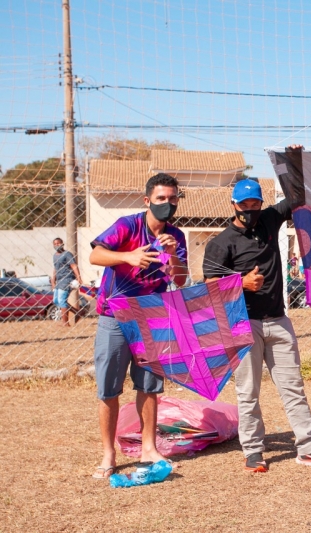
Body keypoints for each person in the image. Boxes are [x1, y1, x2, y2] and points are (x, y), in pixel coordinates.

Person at [202, 161, 311, 473]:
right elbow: (209, 285)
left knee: (293, 388)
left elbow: (296, 198)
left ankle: (308, 447)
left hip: (278, 321)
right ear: (234, 205)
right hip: (243, 324)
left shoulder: (268, 221)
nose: (250, 209)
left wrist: (295, 163)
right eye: (244, 205)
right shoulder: (221, 243)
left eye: (255, 204)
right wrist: (241, 283)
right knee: (248, 393)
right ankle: (253, 451)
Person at [88, 173, 188, 479]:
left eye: (173, 199)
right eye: (161, 199)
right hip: (114, 316)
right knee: (109, 388)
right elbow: (95, 254)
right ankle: (108, 453)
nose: (167, 204)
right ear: (147, 201)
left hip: (151, 317)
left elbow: (181, 279)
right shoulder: (127, 226)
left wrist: (171, 254)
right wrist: (128, 257)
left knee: (149, 386)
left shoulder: (176, 236)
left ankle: (148, 448)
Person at [51, 237, 83, 327]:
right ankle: (78, 312)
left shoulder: (67, 254)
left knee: (62, 300)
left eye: (58, 243)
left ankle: (65, 323)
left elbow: (73, 266)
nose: (57, 245)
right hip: (59, 280)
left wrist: (79, 278)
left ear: (62, 244)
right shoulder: (54, 255)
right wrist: (53, 281)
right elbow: (55, 269)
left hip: (67, 279)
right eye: (55, 244)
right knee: (56, 301)